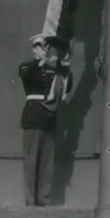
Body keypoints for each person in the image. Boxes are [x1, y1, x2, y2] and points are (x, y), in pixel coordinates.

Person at [18, 34, 73, 207]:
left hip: (48, 117)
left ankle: (43, 198)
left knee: (47, 161)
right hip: (33, 116)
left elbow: (67, 82)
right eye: (41, 47)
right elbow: (27, 76)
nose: (44, 50)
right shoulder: (26, 67)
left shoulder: (52, 70)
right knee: (32, 160)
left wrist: (63, 64)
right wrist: (42, 62)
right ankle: (30, 199)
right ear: (34, 49)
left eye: (46, 47)